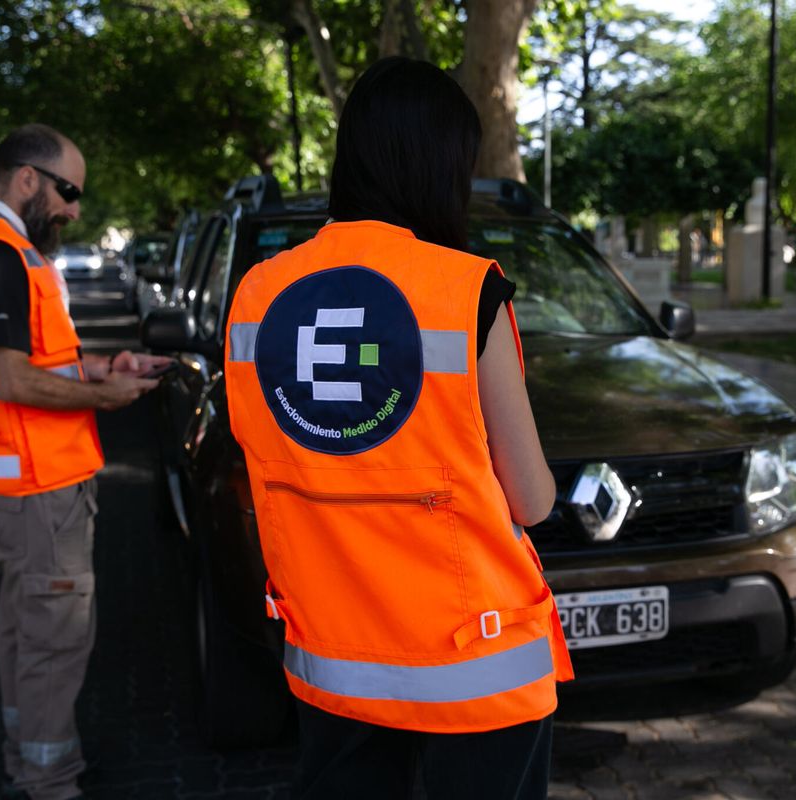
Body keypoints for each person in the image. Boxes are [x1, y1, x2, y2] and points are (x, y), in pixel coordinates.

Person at [223, 58, 574, 799]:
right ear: (441, 165)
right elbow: (534, 499)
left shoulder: (256, 296)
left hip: (335, 659)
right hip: (475, 664)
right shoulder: (462, 287)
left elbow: (271, 457)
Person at [0, 123, 169, 800]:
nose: (74, 209)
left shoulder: (10, 254)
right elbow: (11, 380)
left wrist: (105, 364)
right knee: (51, 642)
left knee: (28, 635)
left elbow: (40, 362)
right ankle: (48, 781)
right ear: (28, 178)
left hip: (35, 488)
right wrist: (102, 394)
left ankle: (31, 763)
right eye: (69, 192)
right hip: (39, 490)